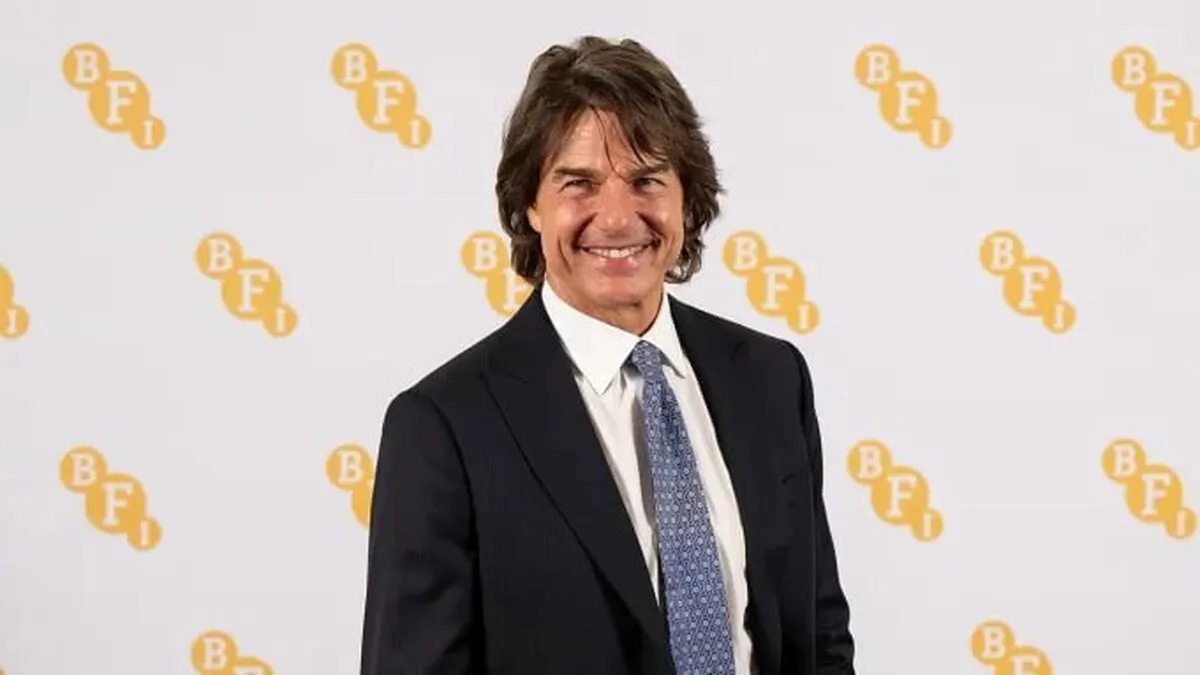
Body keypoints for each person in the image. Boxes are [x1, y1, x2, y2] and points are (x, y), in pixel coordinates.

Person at [359, 35, 856, 675]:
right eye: (579, 183)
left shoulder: (771, 378)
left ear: (687, 198)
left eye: (646, 180)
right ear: (530, 204)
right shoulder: (443, 426)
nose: (618, 219)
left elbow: (819, 637)